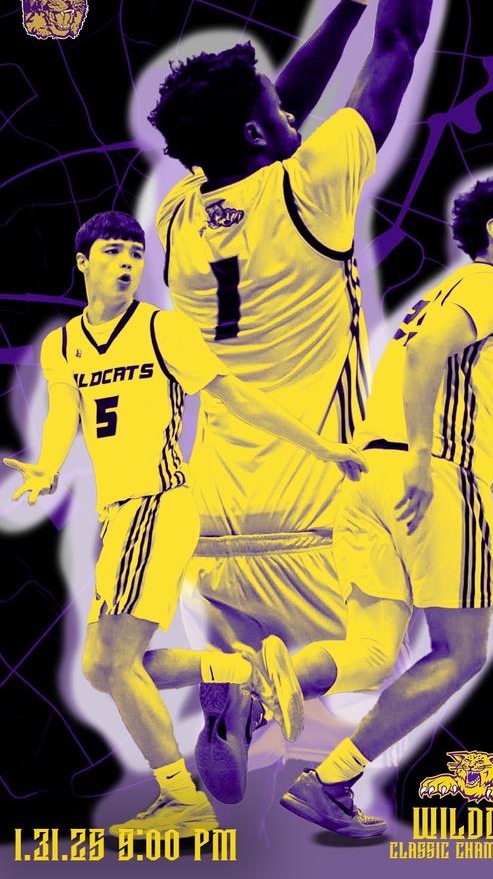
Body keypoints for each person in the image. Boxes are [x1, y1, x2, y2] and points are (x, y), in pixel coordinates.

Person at [146, 0, 493, 801]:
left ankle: (236, 692)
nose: (290, 111)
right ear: (257, 132)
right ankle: (250, 697)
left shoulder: (178, 212)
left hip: (214, 515)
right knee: (382, 655)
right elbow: (400, 44)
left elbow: (273, 109)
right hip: (316, 508)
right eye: (274, 112)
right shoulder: (312, 193)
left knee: (279, 673)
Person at [3, 210, 366, 838]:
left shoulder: (162, 329)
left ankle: (183, 802)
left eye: (135, 252)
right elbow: (66, 413)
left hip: (160, 503)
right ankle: (238, 672)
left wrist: (322, 447)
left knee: (117, 662)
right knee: (101, 669)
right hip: (118, 515)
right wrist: (47, 467)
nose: (126, 261)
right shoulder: (62, 345)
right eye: (113, 251)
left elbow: (235, 396)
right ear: (83, 262)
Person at [277, 172, 493, 838]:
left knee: (372, 653)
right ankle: (330, 782)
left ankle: (250, 688)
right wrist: (429, 463)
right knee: (460, 653)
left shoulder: (444, 293)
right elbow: (429, 357)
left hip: (372, 478)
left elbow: (426, 379)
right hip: (427, 479)